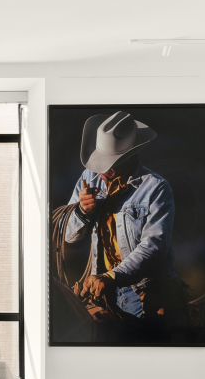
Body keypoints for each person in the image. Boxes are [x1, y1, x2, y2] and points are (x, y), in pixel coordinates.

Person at [62, 110, 186, 332]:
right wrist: (82, 211)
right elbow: (70, 236)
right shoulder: (88, 177)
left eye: (108, 165)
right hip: (102, 290)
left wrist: (111, 276)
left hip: (147, 291)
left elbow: (153, 247)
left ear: (128, 157)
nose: (100, 173)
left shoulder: (156, 188)